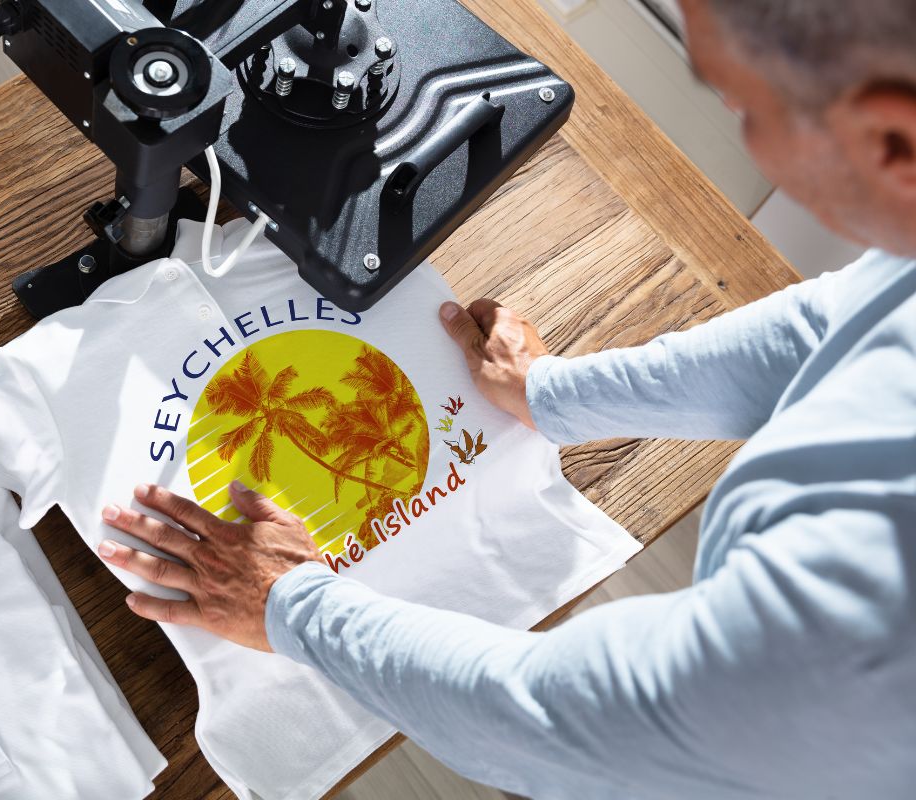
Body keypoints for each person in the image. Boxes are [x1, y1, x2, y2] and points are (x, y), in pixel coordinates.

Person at [95, 1, 916, 796]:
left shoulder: (869, 585)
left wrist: (290, 608)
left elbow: (582, 726)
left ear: (890, 139)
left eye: (742, 98)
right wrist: (552, 394)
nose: (735, 117)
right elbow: (838, 322)